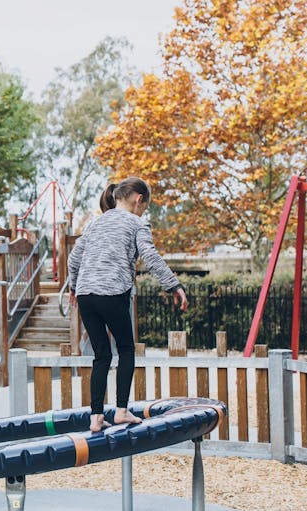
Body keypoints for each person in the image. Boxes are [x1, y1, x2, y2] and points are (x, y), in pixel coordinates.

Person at [68, 177, 188, 432]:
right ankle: (121, 411)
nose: (144, 211)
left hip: (86, 295)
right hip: (112, 293)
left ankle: (96, 417)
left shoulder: (95, 222)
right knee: (126, 349)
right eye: (145, 206)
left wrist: (73, 286)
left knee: (101, 355)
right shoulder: (137, 223)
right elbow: (151, 257)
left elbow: (74, 257)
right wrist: (173, 285)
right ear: (138, 199)